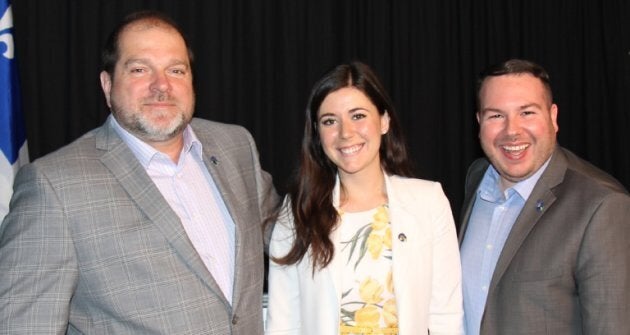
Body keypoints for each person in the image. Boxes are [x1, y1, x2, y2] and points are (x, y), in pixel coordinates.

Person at [0, 10, 278, 334]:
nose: (161, 86)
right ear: (107, 84)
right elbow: (24, 325)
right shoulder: (54, 186)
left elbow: (289, 235)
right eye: (139, 69)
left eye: (176, 70)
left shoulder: (235, 146)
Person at [265, 61, 463, 335]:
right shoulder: (297, 211)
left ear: (384, 121)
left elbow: (446, 315)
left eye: (358, 116)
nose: (345, 133)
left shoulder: (429, 202)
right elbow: (283, 323)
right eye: (330, 121)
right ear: (317, 134)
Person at [459, 58, 630, 334]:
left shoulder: (603, 206)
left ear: (553, 117)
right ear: (479, 122)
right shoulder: (476, 178)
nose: (511, 130)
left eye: (527, 113)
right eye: (496, 115)